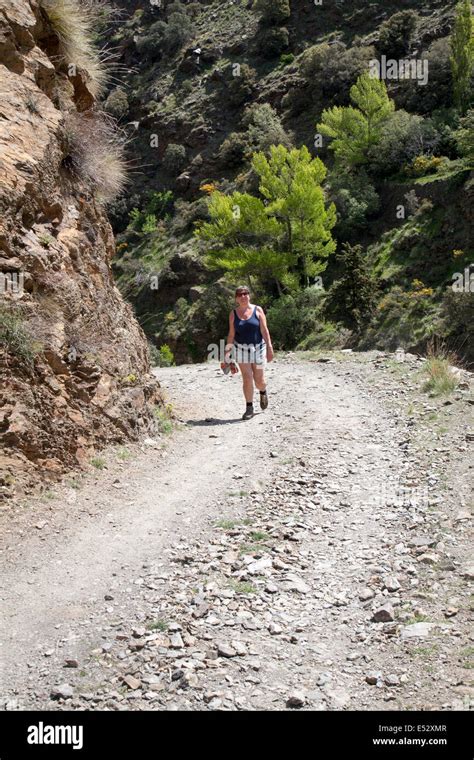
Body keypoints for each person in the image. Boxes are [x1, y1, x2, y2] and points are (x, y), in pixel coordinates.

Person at [224, 285, 274, 420]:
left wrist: (269, 348)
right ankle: (249, 407)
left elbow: (264, 330)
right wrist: (227, 354)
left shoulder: (258, 310)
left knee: (259, 380)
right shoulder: (233, 314)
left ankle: (263, 391)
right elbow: (231, 334)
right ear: (236, 298)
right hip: (241, 350)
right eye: (240, 294)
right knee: (247, 377)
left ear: (249, 295)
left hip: (258, 349)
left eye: (245, 293)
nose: (243, 296)